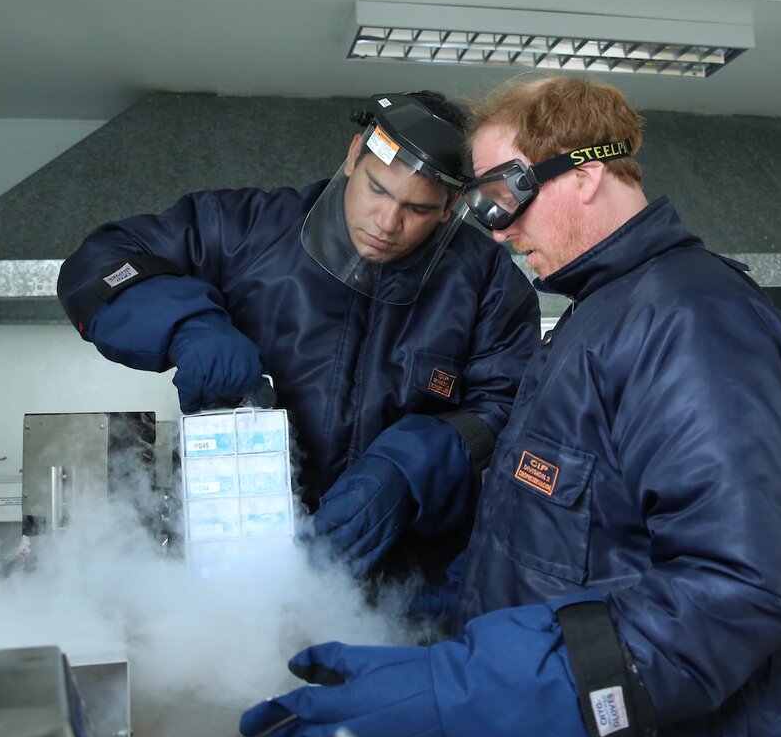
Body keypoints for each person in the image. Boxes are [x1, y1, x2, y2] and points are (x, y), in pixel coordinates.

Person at [240, 76, 781, 737]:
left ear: (586, 175)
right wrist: (462, 627)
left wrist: (465, 691)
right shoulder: (603, 318)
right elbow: (582, 545)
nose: (500, 231)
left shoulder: (689, 324)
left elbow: (730, 596)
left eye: (506, 199)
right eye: (487, 208)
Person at [57, 91, 540, 575]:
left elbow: (509, 410)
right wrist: (188, 324)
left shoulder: (487, 283)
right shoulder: (245, 230)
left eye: (416, 209)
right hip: (237, 568)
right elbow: (102, 261)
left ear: (450, 204)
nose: (387, 223)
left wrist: (415, 467)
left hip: (409, 579)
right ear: (354, 155)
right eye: (378, 189)